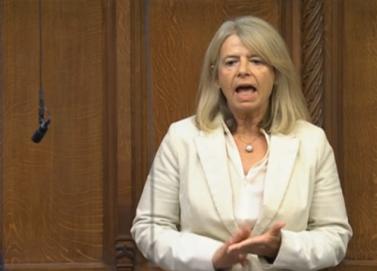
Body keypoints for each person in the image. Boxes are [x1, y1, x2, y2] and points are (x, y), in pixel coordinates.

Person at [131, 16, 352, 271]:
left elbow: (335, 235)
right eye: (231, 62)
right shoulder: (182, 138)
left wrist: (281, 248)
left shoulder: (311, 141)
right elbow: (149, 227)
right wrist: (213, 257)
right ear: (216, 77)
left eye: (257, 61)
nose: (243, 70)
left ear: (276, 74)